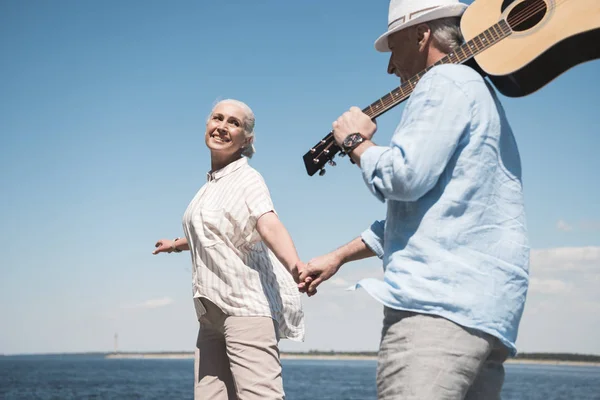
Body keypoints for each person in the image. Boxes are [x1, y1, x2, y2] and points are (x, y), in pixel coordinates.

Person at [298, 0, 530, 398]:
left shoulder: (442, 82)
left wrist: (356, 143)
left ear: (422, 35)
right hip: (487, 315)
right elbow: (428, 210)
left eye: (394, 50)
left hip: (433, 311)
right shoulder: (479, 93)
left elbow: (403, 177)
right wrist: (338, 256)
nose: (390, 68)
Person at [153, 98, 304, 400]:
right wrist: (175, 245)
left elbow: (267, 223)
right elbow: (217, 234)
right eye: (217, 118)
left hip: (246, 308)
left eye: (233, 123)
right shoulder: (209, 186)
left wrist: (296, 266)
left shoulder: (248, 179)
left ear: (246, 139)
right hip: (212, 313)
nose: (222, 126)